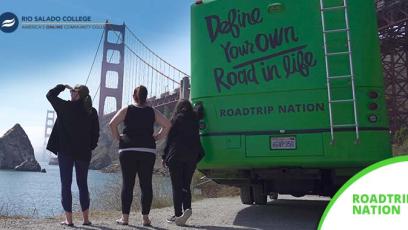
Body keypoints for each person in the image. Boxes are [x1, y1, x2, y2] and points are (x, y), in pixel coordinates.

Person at [109, 85, 171, 226]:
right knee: (146, 184)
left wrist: (119, 138)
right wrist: (157, 137)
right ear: (146, 97)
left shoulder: (127, 109)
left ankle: (125, 218)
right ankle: (145, 218)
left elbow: (112, 124)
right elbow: (167, 125)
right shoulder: (152, 111)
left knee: (128, 184)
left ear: (133, 96)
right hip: (147, 150)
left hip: (127, 150)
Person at [46, 84, 99, 227]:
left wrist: (61, 87)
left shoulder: (65, 107)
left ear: (78, 95)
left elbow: (50, 95)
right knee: (83, 185)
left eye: (72, 91)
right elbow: (96, 134)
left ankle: (69, 221)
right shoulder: (91, 111)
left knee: (66, 184)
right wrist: (90, 147)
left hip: (65, 152)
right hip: (83, 153)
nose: (70, 93)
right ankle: (86, 220)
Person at [162, 99, 204, 226]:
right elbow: (200, 110)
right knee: (186, 184)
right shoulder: (195, 118)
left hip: (176, 156)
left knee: (176, 186)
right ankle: (187, 209)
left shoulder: (175, 120)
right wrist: (200, 104)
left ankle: (178, 214)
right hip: (191, 156)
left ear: (178, 108)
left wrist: (164, 156)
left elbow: (169, 140)